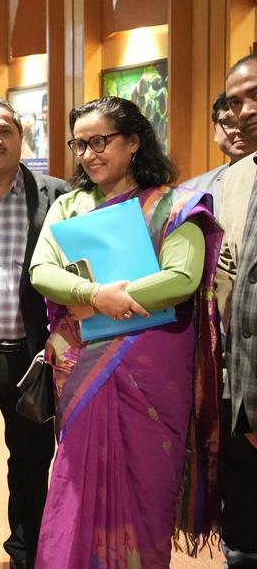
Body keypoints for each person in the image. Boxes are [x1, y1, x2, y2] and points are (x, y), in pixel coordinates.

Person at [29, 96, 222, 568]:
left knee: (147, 486)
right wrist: (95, 294)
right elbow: (41, 270)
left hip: (154, 371)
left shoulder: (174, 206)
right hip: (84, 364)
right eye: (79, 144)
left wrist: (109, 298)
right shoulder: (69, 206)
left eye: (100, 141)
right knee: (76, 483)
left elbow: (182, 278)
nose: (88, 154)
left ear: (134, 141)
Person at [0, 98, 69, 569]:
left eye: (4, 130)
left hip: (33, 354)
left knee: (32, 458)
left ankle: (26, 550)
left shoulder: (59, 195)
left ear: (21, 137)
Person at [216, 54, 257, 567]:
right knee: (244, 542)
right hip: (240, 394)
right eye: (234, 102)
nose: (245, 111)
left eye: (255, 95)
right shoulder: (235, 179)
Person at [183, 92, 253, 211]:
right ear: (215, 131)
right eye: (229, 123)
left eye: (249, 122)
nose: (240, 130)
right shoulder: (191, 192)